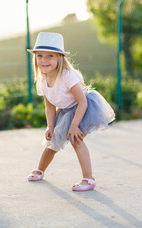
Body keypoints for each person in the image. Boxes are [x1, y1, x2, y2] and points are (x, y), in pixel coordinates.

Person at [26, 32, 115, 191]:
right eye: (39, 55)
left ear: (59, 57)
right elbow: (50, 106)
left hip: (84, 109)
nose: (44, 60)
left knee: (76, 140)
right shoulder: (42, 80)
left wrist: (74, 126)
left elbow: (83, 102)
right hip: (65, 112)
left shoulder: (68, 76)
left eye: (50, 56)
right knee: (52, 141)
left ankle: (88, 180)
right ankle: (40, 170)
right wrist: (50, 126)